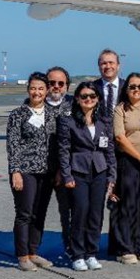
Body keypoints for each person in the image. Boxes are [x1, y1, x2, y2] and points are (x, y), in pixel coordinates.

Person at [58, 82, 117, 271]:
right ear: (77, 99)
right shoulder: (68, 121)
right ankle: (77, 254)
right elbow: (64, 151)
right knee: (80, 212)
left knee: (96, 214)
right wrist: (67, 176)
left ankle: (91, 252)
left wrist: (112, 175)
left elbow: (109, 150)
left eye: (92, 96)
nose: (88, 99)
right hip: (78, 171)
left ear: (98, 99)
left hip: (99, 171)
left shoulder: (104, 121)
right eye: (84, 96)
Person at [7, 72, 58, 271]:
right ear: (28, 90)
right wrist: (15, 171)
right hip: (25, 170)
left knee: (39, 213)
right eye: (33, 88)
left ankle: (33, 251)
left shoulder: (53, 114)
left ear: (47, 91)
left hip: (47, 172)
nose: (36, 92)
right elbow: (13, 145)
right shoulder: (18, 114)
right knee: (24, 213)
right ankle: (22, 255)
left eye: (40, 88)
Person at [108, 72, 140, 264]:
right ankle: (124, 248)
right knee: (127, 205)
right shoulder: (120, 109)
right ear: (126, 89)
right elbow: (120, 138)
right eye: (132, 86)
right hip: (129, 161)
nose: (136, 90)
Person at [45, 65, 75, 258]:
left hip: (66, 168)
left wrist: (62, 170)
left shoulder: (74, 104)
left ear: (67, 86)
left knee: (68, 212)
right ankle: (31, 249)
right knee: (35, 212)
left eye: (60, 83)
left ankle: (70, 247)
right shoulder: (34, 103)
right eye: (52, 83)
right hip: (40, 167)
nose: (56, 86)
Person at [91, 49, 122, 122]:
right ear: (99, 66)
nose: (108, 66)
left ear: (118, 66)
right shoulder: (91, 88)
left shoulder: (128, 87)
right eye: (104, 63)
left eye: (111, 63)